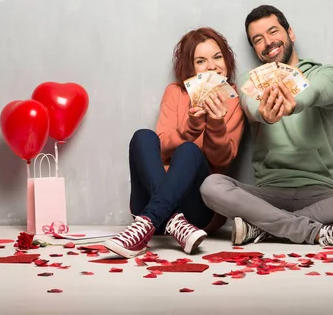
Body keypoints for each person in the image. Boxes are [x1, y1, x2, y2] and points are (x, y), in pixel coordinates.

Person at [200, 5, 333, 248]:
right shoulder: (249, 80)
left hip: (322, 193)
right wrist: (266, 114)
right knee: (211, 186)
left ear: (290, 33)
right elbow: (253, 107)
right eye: (258, 39)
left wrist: (292, 103)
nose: (268, 42)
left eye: (273, 32)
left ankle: (265, 230)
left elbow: (317, 92)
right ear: (255, 48)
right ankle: (314, 232)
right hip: (267, 196)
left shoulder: (326, 73)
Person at [104, 27, 245, 258]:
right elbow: (160, 152)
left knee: (189, 150)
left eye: (218, 57)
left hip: (198, 211)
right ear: (190, 68)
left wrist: (216, 123)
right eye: (201, 61)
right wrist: (191, 126)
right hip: (156, 205)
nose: (212, 66)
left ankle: (146, 223)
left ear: (227, 60)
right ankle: (168, 220)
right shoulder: (175, 92)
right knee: (143, 136)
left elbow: (222, 160)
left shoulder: (234, 99)